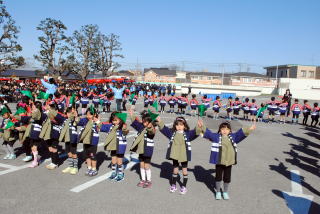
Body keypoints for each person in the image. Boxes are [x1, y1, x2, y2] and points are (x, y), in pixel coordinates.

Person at [198, 120, 256, 200]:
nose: (224, 131)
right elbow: (209, 133)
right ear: (220, 130)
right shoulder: (216, 137)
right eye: (222, 129)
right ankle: (218, 191)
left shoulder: (234, 137)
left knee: (227, 177)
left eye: (227, 129)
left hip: (229, 162)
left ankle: (225, 192)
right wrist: (202, 126)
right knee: (218, 177)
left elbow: (241, 133)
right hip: (219, 161)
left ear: (230, 130)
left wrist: (250, 129)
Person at [157, 116, 200, 195]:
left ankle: (183, 186)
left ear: (185, 126)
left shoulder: (187, 134)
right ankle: (173, 185)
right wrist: (160, 122)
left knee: (184, 170)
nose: (179, 127)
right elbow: (165, 130)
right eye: (177, 125)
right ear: (175, 126)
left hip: (184, 155)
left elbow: (195, 132)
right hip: (175, 155)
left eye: (181, 125)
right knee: (175, 169)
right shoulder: (172, 133)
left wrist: (198, 126)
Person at [129, 109, 157, 188]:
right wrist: (132, 115)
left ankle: (149, 180)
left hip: (148, 150)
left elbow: (151, 132)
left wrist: (150, 126)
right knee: (141, 165)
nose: (144, 123)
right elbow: (135, 122)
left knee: (146, 166)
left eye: (146, 122)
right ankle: (143, 180)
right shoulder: (141, 127)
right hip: (141, 149)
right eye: (143, 121)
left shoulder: (152, 129)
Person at [100, 112, 129, 182]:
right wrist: (98, 121)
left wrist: (124, 129)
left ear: (120, 120)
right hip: (113, 145)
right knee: (113, 160)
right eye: (113, 120)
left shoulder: (123, 126)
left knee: (119, 161)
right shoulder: (110, 126)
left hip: (121, 146)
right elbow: (101, 127)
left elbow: (126, 132)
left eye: (116, 120)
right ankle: (113, 172)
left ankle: (120, 174)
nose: (114, 122)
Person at [60, 107, 79, 175]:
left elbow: (76, 122)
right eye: (68, 113)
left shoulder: (74, 120)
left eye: (71, 113)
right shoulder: (65, 120)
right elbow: (62, 127)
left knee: (74, 153)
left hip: (73, 138)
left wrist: (75, 115)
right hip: (67, 138)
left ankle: (75, 167)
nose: (69, 114)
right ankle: (70, 166)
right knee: (69, 152)